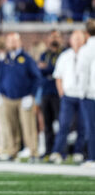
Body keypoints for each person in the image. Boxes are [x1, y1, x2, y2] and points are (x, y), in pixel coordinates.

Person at [0, 32, 42, 162]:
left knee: (28, 127)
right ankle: (12, 152)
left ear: (19, 42)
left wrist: (31, 95)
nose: (12, 43)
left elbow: (37, 78)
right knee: (11, 127)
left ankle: (34, 153)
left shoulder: (27, 59)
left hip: (24, 98)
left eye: (14, 41)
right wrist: (1, 92)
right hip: (8, 98)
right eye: (9, 41)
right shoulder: (5, 59)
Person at [50, 30, 87, 164]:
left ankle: (78, 152)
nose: (77, 41)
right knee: (64, 124)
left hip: (84, 95)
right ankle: (58, 152)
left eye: (79, 38)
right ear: (70, 41)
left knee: (82, 126)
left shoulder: (89, 55)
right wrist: (62, 93)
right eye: (75, 39)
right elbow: (58, 76)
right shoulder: (65, 56)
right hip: (68, 95)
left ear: (84, 40)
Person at [38, 30, 63, 158]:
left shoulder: (63, 54)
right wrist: (49, 70)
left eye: (57, 36)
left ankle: (60, 150)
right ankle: (48, 149)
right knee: (47, 124)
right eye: (52, 36)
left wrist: (47, 69)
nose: (54, 39)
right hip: (46, 92)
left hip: (58, 92)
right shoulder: (44, 54)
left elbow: (57, 70)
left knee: (60, 123)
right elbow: (39, 70)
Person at [80, 19, 95, 168]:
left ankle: (92, 157)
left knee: (91, 127)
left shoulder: (86, 50)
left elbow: (84, 74)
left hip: (90, 94)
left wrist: (82, 92)